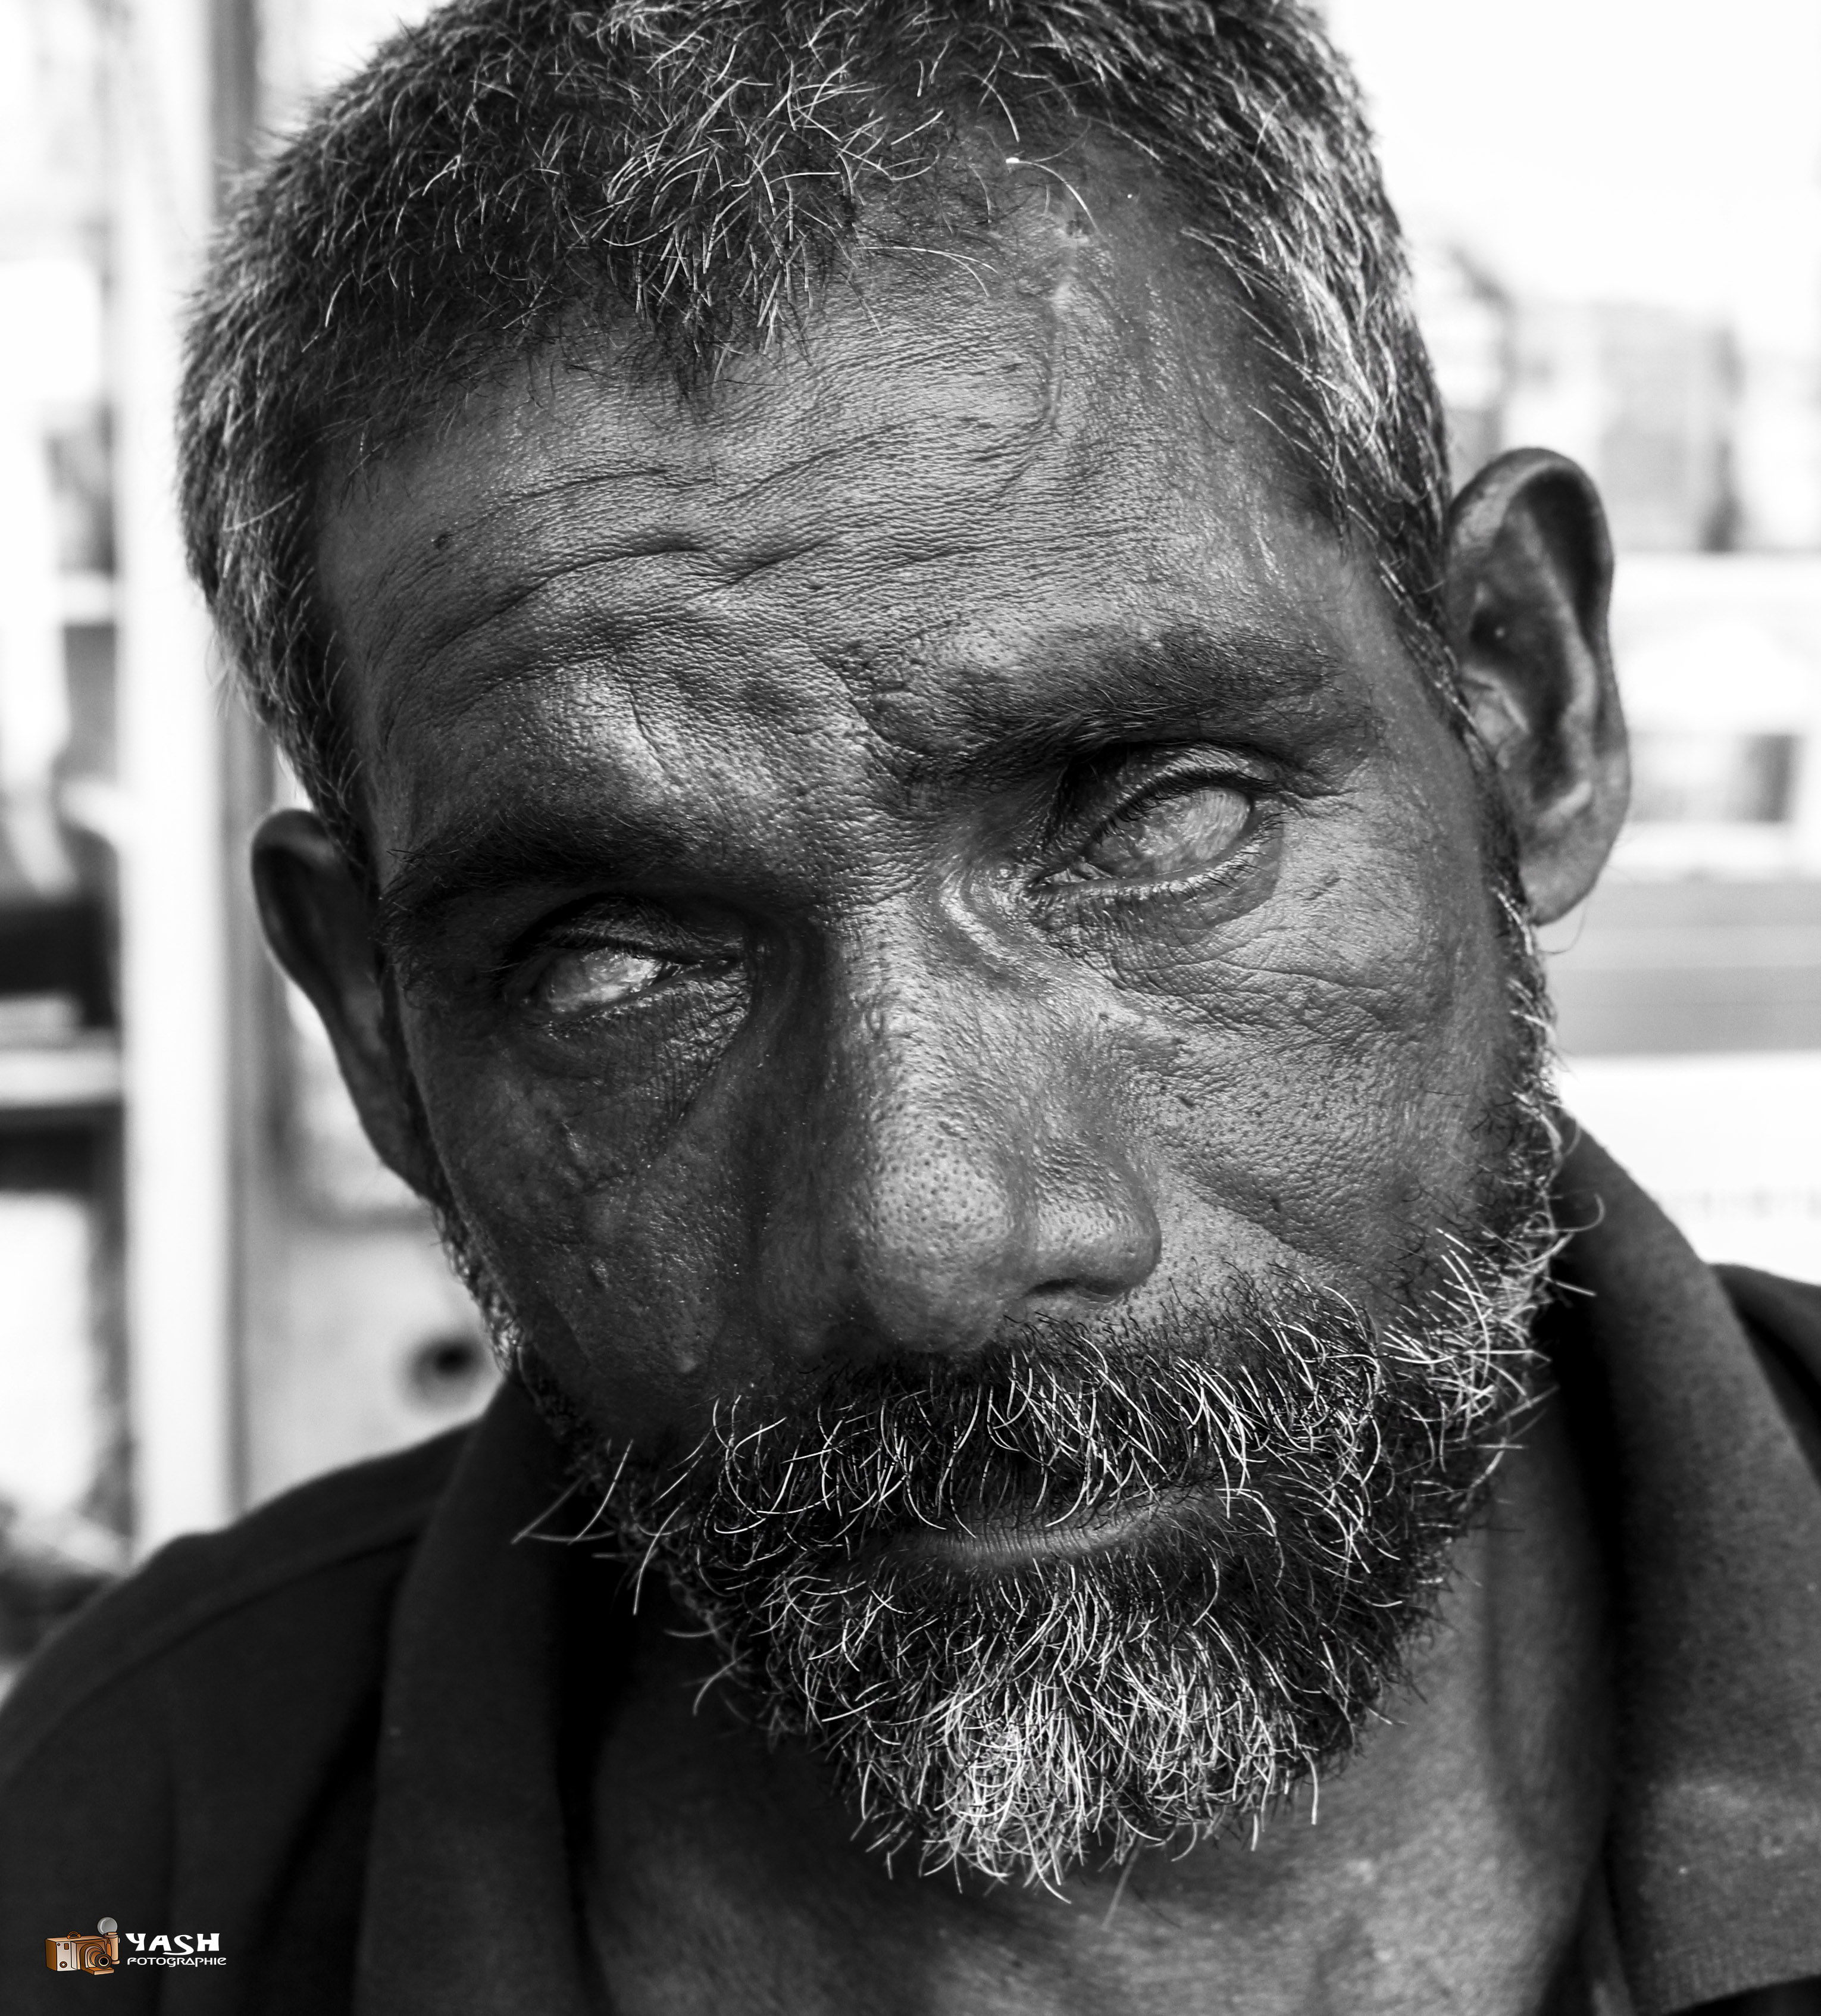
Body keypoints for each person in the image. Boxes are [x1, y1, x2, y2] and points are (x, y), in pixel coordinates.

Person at [4, 0, 1820, 2008]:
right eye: (616, 962)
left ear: (1519, 709)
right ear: (376, 1030)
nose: (927, 1235)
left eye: (1152, 825)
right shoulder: (121, 1892)